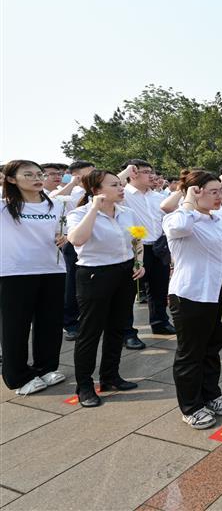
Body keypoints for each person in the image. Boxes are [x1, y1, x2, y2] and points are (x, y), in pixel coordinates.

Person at [164, 170, 222, 430]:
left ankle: (211, 394)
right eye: (213, 192)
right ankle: (191, 406)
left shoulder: (219, 220)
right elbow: (179, 228)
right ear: (195, 192)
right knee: (191, 352)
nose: (219, 196)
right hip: (192, 294)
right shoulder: (179, 218)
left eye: (221, 191)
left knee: (213, 346)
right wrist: (187, 200)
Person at [66, 170, 145, 407]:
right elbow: (76, 240)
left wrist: (139, 262)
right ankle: (84, 385)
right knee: (90, 332)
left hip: (125, 272)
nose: (121, 188)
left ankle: (110, 376)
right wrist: (94, 209)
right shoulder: (79, 213)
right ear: (96, 190)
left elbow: (137, 238)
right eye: (114, 185)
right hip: (94, 274)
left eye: (121, 184)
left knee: (117, 327)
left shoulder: (127, 212)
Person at [0, 160, 68, 396]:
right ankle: (17, 377)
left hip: (52, 269)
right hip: (15, 272)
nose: (37, 178)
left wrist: (65, 236)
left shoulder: (57, 205)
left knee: (50, 323)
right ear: (11, 179)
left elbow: (64, 231)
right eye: (27, 175)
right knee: (15, 326)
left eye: (39, 174)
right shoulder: (4, 207)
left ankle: (46, 367)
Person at [118, 160, 175, 349]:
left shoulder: (158, 197)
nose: (152, 176)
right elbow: (105, 187)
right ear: (132, 174)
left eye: (152, 172)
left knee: (159, 289)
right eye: (145, 172)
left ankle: (160, 323)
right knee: (129, 292)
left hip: (158, 248)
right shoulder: (123, 194)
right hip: (135, 249)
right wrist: (126, 171)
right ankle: (127, 332)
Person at [52, 160, 95, 341]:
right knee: (72, 283)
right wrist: (72, 183)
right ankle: (69, 322)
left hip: (93, 242)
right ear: (76, 174)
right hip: (72, 242)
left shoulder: (95, 191)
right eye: (89, 173)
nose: (94, 175)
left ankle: (87, 319)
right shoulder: (68, 191)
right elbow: (53, 200)